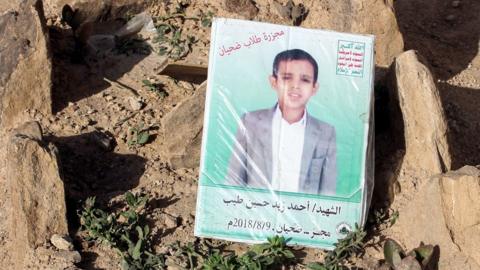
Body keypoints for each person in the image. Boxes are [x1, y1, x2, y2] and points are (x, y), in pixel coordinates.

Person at [226, 49, 337, 195]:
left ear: (314, 88)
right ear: (274, 82)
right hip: (256, 212)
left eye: (305, 80)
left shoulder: (326, 132)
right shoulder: (251, 122)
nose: (295, 86)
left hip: (303, 214)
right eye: (287, 77)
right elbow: (234, 179)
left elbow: (328, 190)